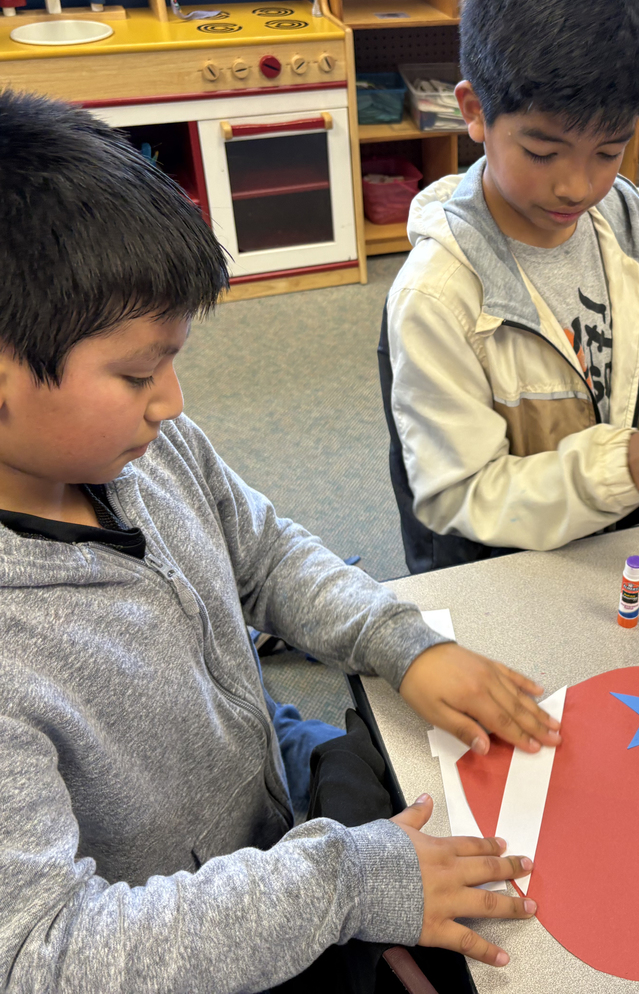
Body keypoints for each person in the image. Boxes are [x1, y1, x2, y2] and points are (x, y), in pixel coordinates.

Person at [0, 88, 563, 993]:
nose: (173, 403)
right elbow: (44, 953)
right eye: (140, 371)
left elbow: (262, 553)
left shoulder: (147, 447)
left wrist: (400, 643)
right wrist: (339, 885)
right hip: (189, 926)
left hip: (267, 786)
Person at [379, 0, 639, 574]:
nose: (577, 186)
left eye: (610, 151)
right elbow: (457, 495)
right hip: (496, 566)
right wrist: (625, 469)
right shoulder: (438, 295)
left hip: (610, 543)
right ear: (475, 111)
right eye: (541, 152)